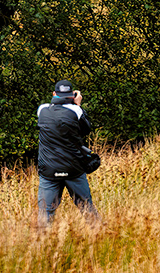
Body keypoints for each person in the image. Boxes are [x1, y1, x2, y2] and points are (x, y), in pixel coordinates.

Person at [35, 79, 100, 225]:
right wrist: (77, 105)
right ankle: (101, 237)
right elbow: (86, 129)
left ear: (54, 94)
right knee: (86, 208)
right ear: (72, 95)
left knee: (45, 213)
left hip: (49, 170)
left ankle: (41, 245)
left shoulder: (42, 110)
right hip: (73, 169)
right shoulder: (76, 110)